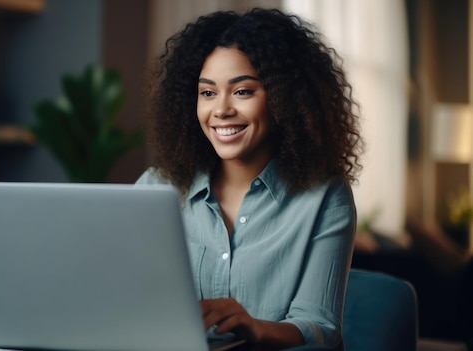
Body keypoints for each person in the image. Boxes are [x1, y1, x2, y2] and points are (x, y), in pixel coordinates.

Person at [135, 7, 363, 351]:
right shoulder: (155, 188)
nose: (221, 109)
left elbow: (321, 328)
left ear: (284, 99)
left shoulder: (324, 195)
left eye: (242, 91)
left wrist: (254, 327)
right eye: (207, 93)